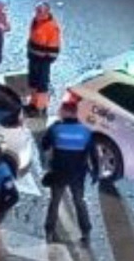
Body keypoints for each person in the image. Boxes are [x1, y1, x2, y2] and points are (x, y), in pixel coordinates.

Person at [42, 101, 99, 245]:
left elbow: (44, 145)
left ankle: (50, 232)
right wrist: (96, 172)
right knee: (79, 201)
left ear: (66, 112)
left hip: (58, 172)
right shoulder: (86, 131)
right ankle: (86, 233)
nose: (59, 112)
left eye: (61, 110)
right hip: (78, 174)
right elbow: (93, 155)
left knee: (55, 202)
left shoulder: (56, 129)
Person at [27, 2, 61, 115]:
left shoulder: (51, 26)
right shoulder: (36, 21)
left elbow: (53, 48)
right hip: (34, 58)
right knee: (33, 82)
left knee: (42, 84)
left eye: (39, 11)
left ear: (46, 12)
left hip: (43, 60)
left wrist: (45, 61)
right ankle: (33, 104)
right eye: (36, 11)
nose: (37, 13)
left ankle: (40, 108)